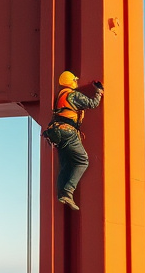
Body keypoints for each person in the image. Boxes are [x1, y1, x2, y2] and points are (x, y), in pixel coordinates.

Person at [43, 71, 103, 210]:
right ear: (70, 82)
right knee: (82, 161)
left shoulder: (60, 96)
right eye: (74, 80)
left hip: (57, 133)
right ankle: (68, 191)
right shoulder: (73, 95)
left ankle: (61, 194)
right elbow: (92, 103)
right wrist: (99, 92)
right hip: (68, 132)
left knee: (65, 164)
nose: (76, 82)